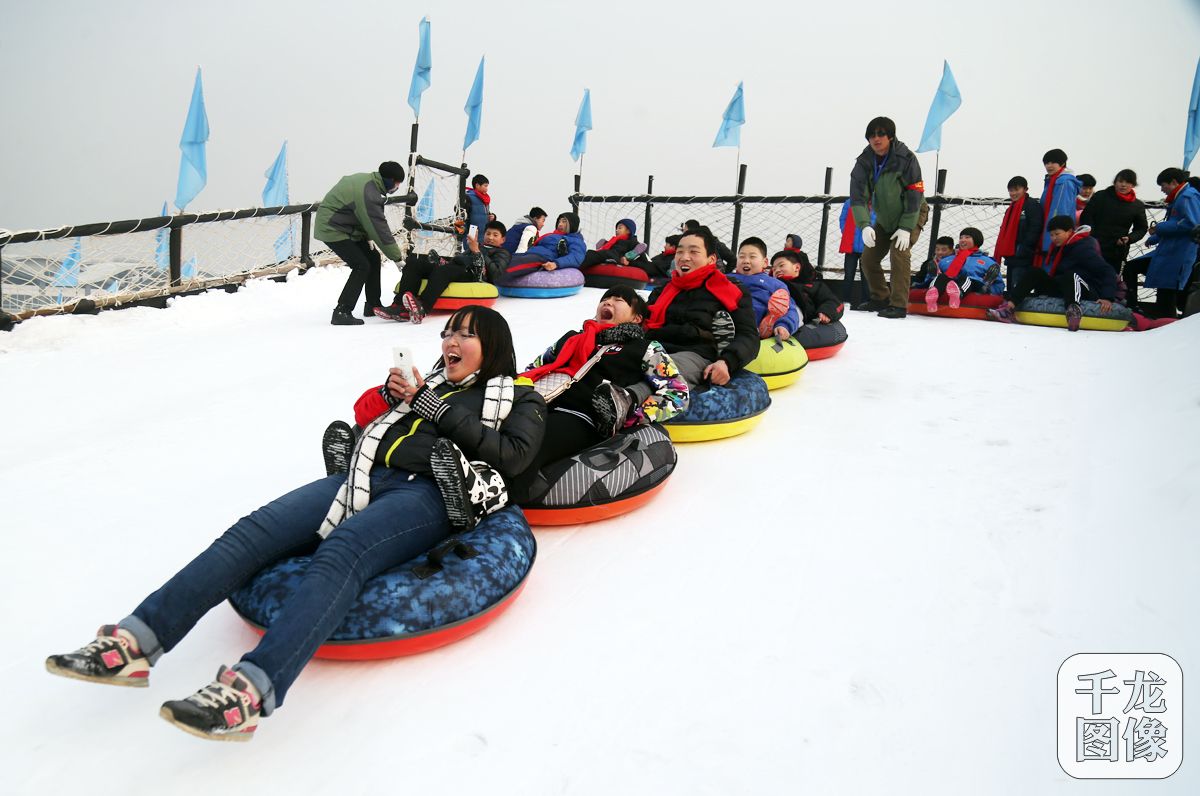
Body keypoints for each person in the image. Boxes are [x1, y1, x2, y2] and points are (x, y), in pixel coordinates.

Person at [44, 306, 546, 741]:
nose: (450, 341)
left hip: (432, 493)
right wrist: (395, 399)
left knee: (343, 551)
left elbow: (515, 458)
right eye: (447, 333)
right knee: (253, 530)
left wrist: (438, 412)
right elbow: (369, 420)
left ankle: (251, 690)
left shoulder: (521, 399)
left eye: (465, 333)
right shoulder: (427, 385)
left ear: (494, 346)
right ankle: (135, 642)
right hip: (367, 473)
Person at [508, 286, 689, 503]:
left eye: (619, 300)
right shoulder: (573, 338)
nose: (608, 302)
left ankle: (502, 505)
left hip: (582, 417)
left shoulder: (644, 348)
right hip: (539, 403)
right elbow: (536, 367)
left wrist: (633, 416)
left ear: (636, 317)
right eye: (605, 298)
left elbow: (677, 392)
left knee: (531, 444)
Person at [644, 226, 758, 389]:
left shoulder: (731, 291)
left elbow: (749, 335)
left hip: (695, 354)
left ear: (711, 260)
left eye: (693, 252)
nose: (684, 257)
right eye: (680, 252)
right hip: (654, 347)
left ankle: (628, 399)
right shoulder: (662, 291)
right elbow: (643, 320)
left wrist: (727, 362)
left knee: (657, 367)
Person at [849, 116, 927, 318]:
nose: (876, 139)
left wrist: (907, 227)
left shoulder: (905, 158)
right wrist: (865, 225)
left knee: (899, 253)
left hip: (912, 211)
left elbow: (915, 193)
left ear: (891, 136)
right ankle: (880, 298)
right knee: (868, 258)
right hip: (884, 218)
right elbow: (858, 196)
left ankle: (898, 305)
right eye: (872, 135)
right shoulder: (864, 162)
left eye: (881, 134)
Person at [313, 161, 407, 326]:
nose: (397, 187)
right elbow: (379, 228)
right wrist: (397, 257)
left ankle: (373, 305)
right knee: (361, 265)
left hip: (346, 226)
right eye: (397, 183)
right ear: (390, 180)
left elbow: (363, 218)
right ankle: (342, 311)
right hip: (332, 228)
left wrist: (367, 238)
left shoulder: (370, 183)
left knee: (373, 257)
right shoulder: (369, 194)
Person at [987, 215, 1118, 331]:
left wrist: (1107, 297)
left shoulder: (1083, 248)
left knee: (1070, 275)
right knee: (1035, 272)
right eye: (1051, 235)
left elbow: (1107, 271)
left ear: (1069, 231)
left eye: (1057, 234)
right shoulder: (1060, 248)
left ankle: (1073, 311)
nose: (1054, 238)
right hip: (1066, 286)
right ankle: (1009, 308)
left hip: (1087, 289)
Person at [377, 220, 511, 323]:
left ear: (502, 239)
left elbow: (495, 274)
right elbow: (461, 259)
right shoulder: (475, 246)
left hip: (472, 275)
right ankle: (400, 306)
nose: (490, 237)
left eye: (495, 235)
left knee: (443, 271)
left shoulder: (502, 253)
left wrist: (478, 250)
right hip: (458, 268)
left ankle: (422, 308)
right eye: (488, 234)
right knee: (415, 262)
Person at [1138, 168, 1200, 318]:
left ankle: (1167, 322)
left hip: (1179, 252)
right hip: (1171, 251)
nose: (1162, 189)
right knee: (1165, 290)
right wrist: (1157, 236)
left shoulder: (1187, 197)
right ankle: (1164, 320)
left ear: (1173, 182)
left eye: (1163, 185)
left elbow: (1192, 224)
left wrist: (1160, 228)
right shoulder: (1180, 198)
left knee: (1169, 291)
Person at [770, 250, 848, 348]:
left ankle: (784, 333)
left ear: (797, 267)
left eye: (781, 265)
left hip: (800, 320)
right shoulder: (771, 286)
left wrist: (826, 311)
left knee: (795, 311)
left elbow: (833, 301)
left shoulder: (812, 287)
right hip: (774, 314)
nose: (776, 270)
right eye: (773, 268)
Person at [1078, 170, 1148, 277]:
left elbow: (1141, 228)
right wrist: (1092, 236)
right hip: (1094, 245)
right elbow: (1086, 217)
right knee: (1088, 276)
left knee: (1111, 280)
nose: (1123, 185)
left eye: (1127, 182)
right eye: (1120, 181)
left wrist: (1129, 238)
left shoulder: (1137, 205)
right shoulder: (1101, 196)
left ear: (1133, 185)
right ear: (1115, 182)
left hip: (1117, 249)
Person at [729, 237, 801, 339]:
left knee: (754, 308)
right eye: (741, 257)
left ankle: (767, 324)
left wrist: (784, 325)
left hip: (751, 318)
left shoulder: (774, 284)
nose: (746, 261)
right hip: (727, 310)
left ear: (765, 262)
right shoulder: (725, 278)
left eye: (752, 257)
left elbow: (789, 308)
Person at [923, 228, 1001, 312]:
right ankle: (933, 294)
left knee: (967, 279)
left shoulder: (987, 261)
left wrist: (987, 286)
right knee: (942, 277)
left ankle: (957, 294)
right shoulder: (947, 260)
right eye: (961, 238)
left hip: (971, 285)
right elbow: (929, 278)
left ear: (976, 240)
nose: (962, 240)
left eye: (967, 237)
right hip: (948, 284)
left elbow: (999, 285)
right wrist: (932, 274)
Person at [499, 211, 586, 283]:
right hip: (530, 253)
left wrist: (556, 263)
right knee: (506, 258)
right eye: (559, 221)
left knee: (513, 264)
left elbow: (576, 257)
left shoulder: (575, 239)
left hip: (543, 258)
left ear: (572, 223)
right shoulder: (552, 235)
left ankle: (493, 277)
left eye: (564, 221)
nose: (560, 224)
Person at [993, 176, 1043, 291]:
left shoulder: (1031, 205)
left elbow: (1036, 228)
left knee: (1018, 288)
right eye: (1011, 190)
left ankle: (1014, 307)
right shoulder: (1010, 208)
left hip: (1024, 256)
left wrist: (1024, 248)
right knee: (1011, 288)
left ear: (1025, 189)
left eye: (1016, 189)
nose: (1013, 193)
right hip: (1011, 256)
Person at [1034, 149, 1081, 267]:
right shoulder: (1052, 181)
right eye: (1046, 163)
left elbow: (1060, 211)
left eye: (1052, 162)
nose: (1048, 166)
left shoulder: (1063, 182)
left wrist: (1052, 238)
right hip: (1050, 233)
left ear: (1062, 163)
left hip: (1055, 235)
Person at [838, 200, 875, 305]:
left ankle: (866, 301)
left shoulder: (875, 202)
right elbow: (843, 219)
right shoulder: (849, 202)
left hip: (867, 245)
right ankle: (845, 300)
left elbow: (878, 220)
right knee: (848, 274)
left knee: (866, 276)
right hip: (851, 245)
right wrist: (846, 232)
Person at [463, 174, 491, 245]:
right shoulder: (468, 197)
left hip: (484, 233)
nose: (487, 188)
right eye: (485, 186)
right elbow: (461, 214)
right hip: (472, 231)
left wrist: (492, 216)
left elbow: (486, 213)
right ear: (477, 185)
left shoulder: (484, 199)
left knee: (482, 254)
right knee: (471, 251)